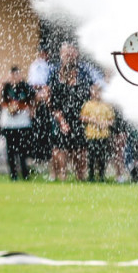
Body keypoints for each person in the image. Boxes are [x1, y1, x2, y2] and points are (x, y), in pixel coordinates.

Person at [49, 43, 90, 181]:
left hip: (80, 118)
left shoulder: (83, 78)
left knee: (80, 148)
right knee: (60, 148)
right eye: (66, 53)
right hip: (61, 117)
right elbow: (54, 104)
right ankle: (61, 175)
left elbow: (88, 98)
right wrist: (62, 122)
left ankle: (80, 175)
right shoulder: (57, 78)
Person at [0, 65, 35, 181]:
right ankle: (13, 175)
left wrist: (32, 111)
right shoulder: (6, 87)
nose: (15, 77)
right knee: (10, 151)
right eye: (13, 75)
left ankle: (25, 174)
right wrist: (0, 87)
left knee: (23, 151)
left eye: (18, 74)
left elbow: (33, 100)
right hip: (8, 124)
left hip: (22, 123)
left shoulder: (25, 87)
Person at [81, 84, 115, 182]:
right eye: (95, 92)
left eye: (99, 92)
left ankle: (101, 175)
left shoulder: (106, 106)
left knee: (102, 156)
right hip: (91, 134)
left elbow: (111, 120)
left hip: (103, 134)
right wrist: (92, 120)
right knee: (91, 156)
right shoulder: (88, 105)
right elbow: (83, 117)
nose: (97, 94)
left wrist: (106, 124)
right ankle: (91, 175)